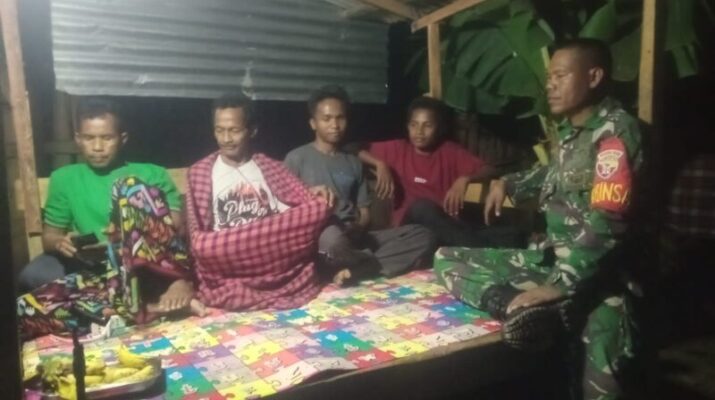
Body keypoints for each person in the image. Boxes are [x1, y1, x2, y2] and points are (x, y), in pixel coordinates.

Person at [433, 39, 644, 399]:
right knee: (446, 257)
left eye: (560, 76)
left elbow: (609, 223)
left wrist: (560, 285)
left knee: (597, 390)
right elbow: (551, 175)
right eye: (549, 78)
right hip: (552, 261)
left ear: (593, 77)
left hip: (599, 280)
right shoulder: (571, 136)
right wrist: (508, 182)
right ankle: (513, 308)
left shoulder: (616, 133)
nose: (550, 85)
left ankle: (551, 308)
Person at [17, 98, 202, 340]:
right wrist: (61, 243)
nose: (97, 147)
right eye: (89, 138)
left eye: (106, 138)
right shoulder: (65, 178)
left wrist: (125, 235)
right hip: (98, 272)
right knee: (24, 310)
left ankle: (166, 287)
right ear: (78, 139)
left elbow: (174, 227)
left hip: (148, 268)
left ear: (122, 138)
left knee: (129, 187)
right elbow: (49, 237)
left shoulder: (151, 173)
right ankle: (141, 307)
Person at [186, 93, 333, 311]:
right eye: (219, 130)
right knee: (204, 247)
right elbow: (198, 240)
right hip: (230, 268)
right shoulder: (200, 173)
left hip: (276, 263)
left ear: (252, 130)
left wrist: (314, 198)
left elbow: (299, 211)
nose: (226, 139)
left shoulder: (271, 168)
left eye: (234, 130)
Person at [285, 85, 435, 285]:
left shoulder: (353, 162)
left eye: (340, 118)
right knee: (333, 241)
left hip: (352, 235)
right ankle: (365, 262)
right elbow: (285, 209)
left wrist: (359, 226)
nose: (335, 125)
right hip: (321, 236)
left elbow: (364, 211)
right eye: (327, 119)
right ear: (313, 123)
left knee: (422, 235)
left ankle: (360, 267)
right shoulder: (296, 158)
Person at [353, 96, 524, 248]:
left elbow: (490, 169)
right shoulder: (398, 149)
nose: (419, 132)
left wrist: (465, 179)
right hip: (410, 230)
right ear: (408, 126)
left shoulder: (450, 151)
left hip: (445, 229)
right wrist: (380, 163)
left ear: (439, 128)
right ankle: (480, 250)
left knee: (512, 234)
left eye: (427, 125)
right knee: (422, 207)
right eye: (414, 125)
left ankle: (479, 246)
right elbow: (352, 147)